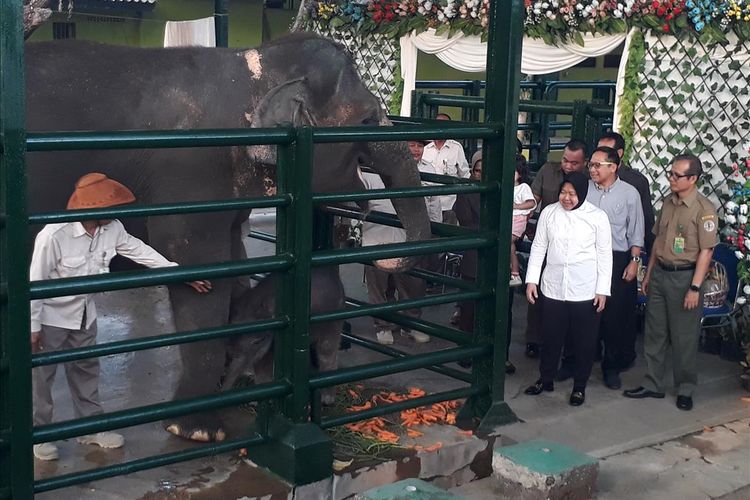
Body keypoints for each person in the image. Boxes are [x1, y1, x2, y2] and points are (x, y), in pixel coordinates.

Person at [29, 173, 212, 461]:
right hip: (51, 317)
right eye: (111, 208)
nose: (116, 213)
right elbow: (36, 282)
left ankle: (90, 428)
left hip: (85, 314)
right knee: (42, 379)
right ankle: (37, 437)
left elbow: (140, 251)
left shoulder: (112, 229)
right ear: (93, 209)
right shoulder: (54, 235)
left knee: (87, 372)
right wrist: (33, 326)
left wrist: (179, 273)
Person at [623, 154, 718, 411]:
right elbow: (658, 242)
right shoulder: (668, 202)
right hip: (661, 274)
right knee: (655, 333)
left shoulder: (703, 210)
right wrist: (649, 273)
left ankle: (685, 387)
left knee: (684, 336)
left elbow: (706, 252)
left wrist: (695, 287)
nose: (671, 179)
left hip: (685, 277)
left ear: (693, 179)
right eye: (671, 174)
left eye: (677, 176)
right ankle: (653, 383)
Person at [524, 172, 612, 406]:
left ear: (582, 194)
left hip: (585, 289)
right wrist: (532, 280)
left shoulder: (597, 217)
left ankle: (579, 386)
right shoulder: (549, 213)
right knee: (550, 337)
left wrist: (602, 290)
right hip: (552, 286)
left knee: (584, 341)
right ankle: (546, 378)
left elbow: (605, 256)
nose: (567, 198)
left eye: (572, 194)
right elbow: (539, 247)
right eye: (564, 192)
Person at [362, 143, 442, 345]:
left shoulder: (428, 170)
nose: (415, 149)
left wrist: (435, 232)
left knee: (413, 285)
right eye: (411, 144)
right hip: (377, 238)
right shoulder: (371, 172)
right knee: (379, 287)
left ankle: (410, 324)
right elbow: (357, 204)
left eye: (420, 145)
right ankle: (383, 325)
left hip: (412, 239)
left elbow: (433, 203)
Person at [524, 140, 589, 358]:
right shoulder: (547, 170)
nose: (568, 166)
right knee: (537, 294)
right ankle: (534, 339)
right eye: (565, 160)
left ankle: (567, 346)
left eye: (574, 162)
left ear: (585, 163)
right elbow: (534, 199)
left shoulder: (588, 180)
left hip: (576, 250)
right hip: (547, 240)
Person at [587, 146, 645, 390]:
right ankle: (579, 361)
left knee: (614, 315)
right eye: (591, 164)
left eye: (598, 165)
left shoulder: (630, 193)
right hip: (587, 256)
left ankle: (611, 367)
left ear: (614, 166)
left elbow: (636, 230)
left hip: (617, 258)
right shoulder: (583, 189)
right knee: (586, 312)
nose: (592, 169)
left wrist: (634, 261)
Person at [453, 150, 515, 374]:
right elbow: (466, 222)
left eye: (485, 170)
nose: (481, 174)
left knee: (502, 309)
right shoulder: (466, 192)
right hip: (474, 257)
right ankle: (467, 351)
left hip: (499, 258)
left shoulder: (504, 190)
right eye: (477, 170)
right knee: (469, 309)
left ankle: (501, 356)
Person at [597, 132, 655, 252]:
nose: (600, 154)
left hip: (621, 250)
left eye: (605, 151)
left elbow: (646, 221)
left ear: (619, 153)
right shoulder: (590, 178)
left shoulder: (636, 181)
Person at [421, 113, 470, 225]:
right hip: (427, 205)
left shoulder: (456, 148)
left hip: (449, 205)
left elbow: (465, 175)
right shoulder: (425, 149)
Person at [510, 155, 536, 287]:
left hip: (518, 220)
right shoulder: (507, 187)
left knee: (507, 242)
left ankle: (515, 273)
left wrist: (516, 206)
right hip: (509, 220)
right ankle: (513, 271)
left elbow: (531, 203)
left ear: (520, 173)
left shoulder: (523, 187)